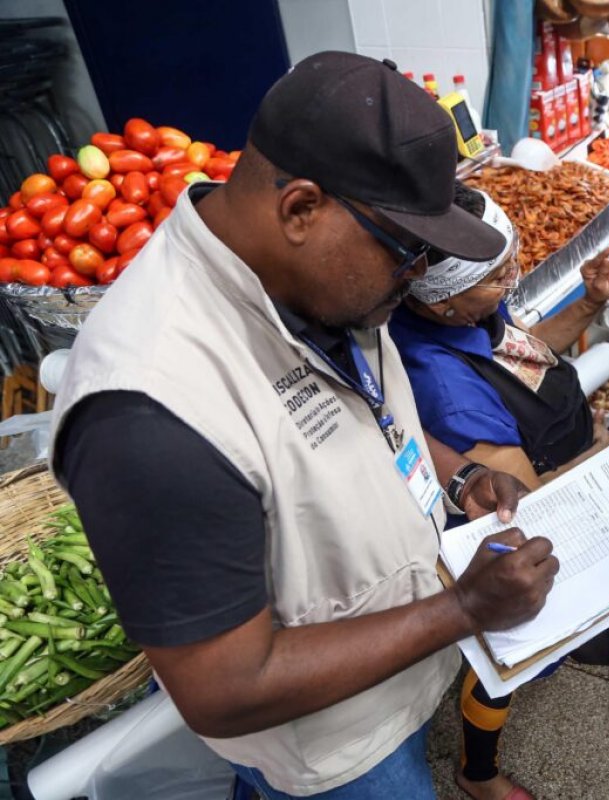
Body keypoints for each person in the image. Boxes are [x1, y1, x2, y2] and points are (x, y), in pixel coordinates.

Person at [49, 53, 559, 800]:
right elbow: (225, 686)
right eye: (408, 252)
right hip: (334, 749)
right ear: (301, 209)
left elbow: (368, 422)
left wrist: (458, 476)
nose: (419, 276)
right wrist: (462, 609)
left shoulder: (321, 283)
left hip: (392, 671)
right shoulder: (152, 410)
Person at [388, 185, 609, 800]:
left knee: (581, 611)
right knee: (512, 647)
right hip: (520, 508)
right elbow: (528, 508)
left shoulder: (470, 317)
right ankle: (476, 772)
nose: (515, 278)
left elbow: (522, 357)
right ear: (445, 299)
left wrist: (589, 302)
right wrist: (604, 469)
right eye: (498, 275)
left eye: (512, 261)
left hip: (555, 464)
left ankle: (588, 638)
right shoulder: (445, 388)